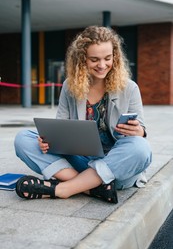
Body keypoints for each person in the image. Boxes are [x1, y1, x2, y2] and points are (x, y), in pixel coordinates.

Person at [14, 25, 152, 203]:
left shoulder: (130, 88)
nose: (102, 65)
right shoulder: (69, 86)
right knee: (23, 138)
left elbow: (141, 134)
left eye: (107, 58)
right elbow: (60, 129)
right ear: (82, 59)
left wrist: (139, 131)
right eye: (94, 59)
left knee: (141, 148)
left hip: (116, 165)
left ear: (115, 57)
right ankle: (92, 187)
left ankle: (64, 188)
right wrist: (47, 141)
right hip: (81, 161)